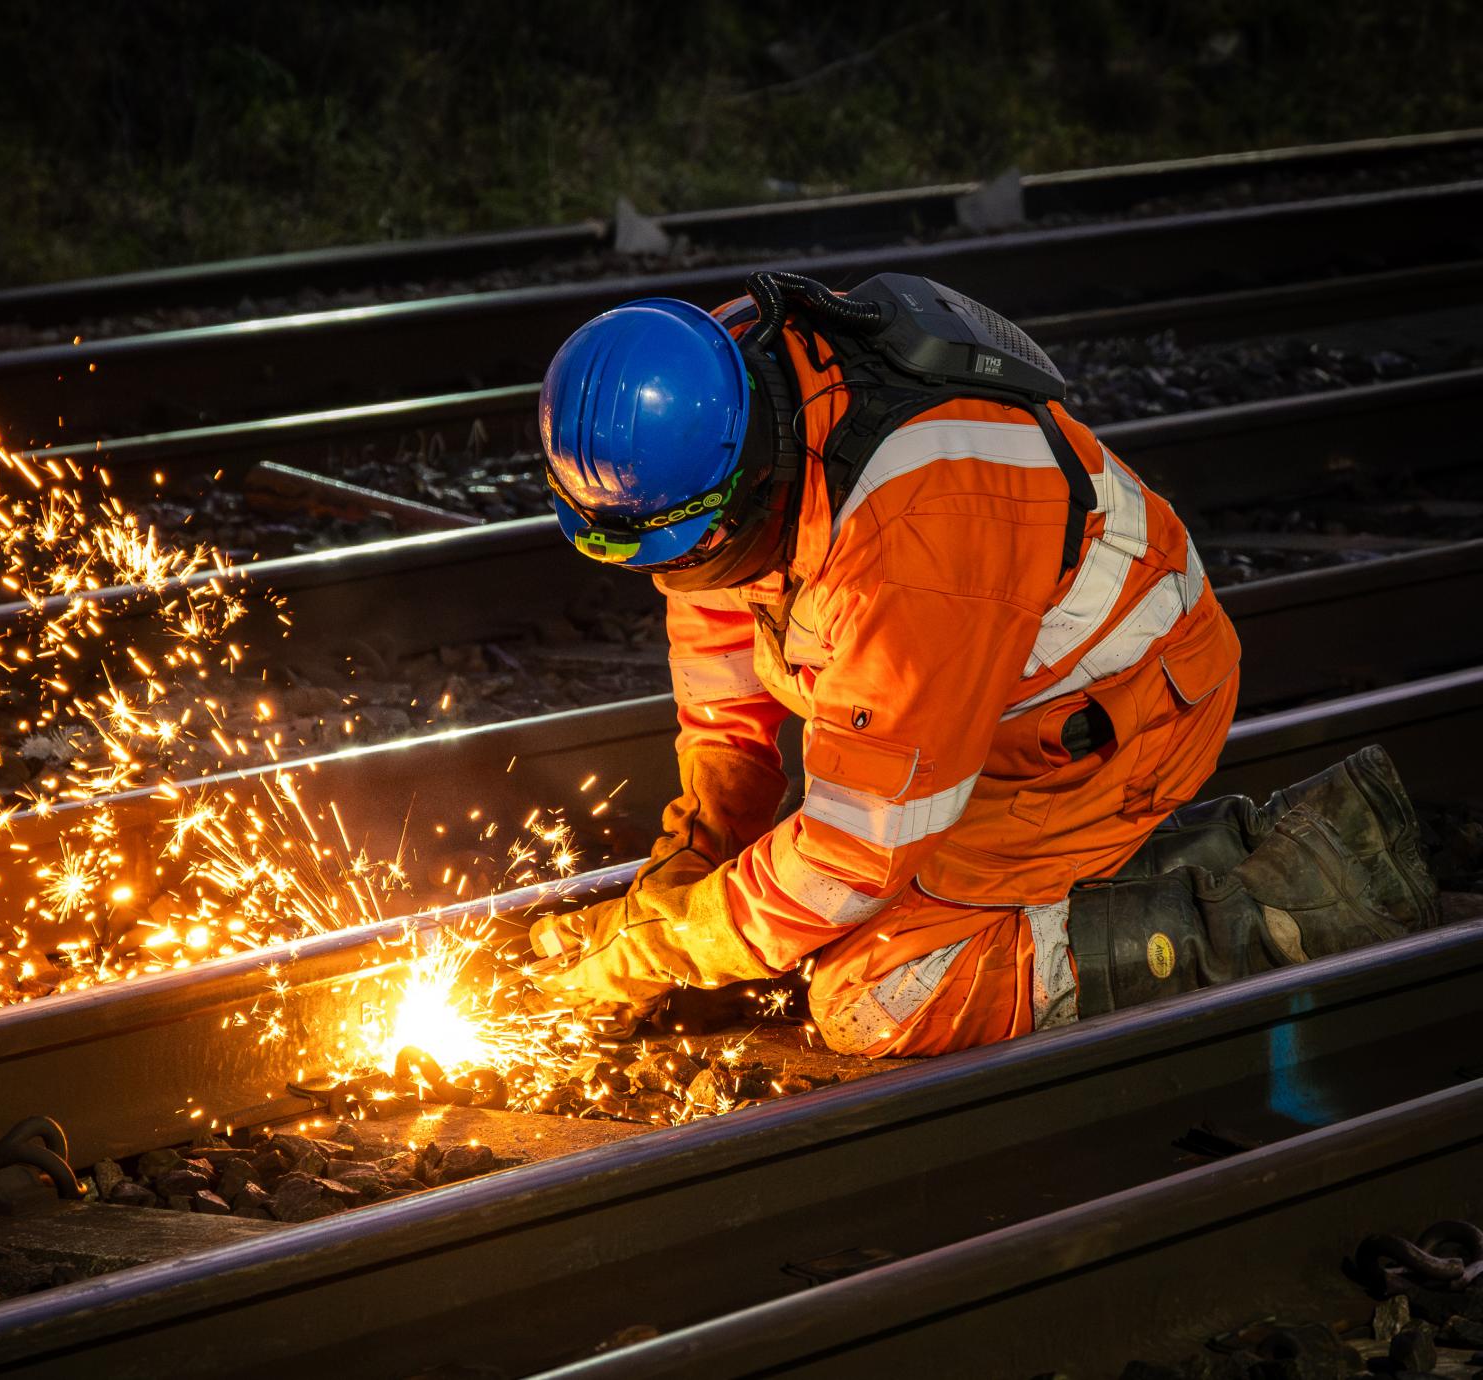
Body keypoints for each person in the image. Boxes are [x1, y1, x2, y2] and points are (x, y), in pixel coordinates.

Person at [526, 272, 1438, 1055]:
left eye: (691, 554)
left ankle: (1284, 900)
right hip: (979, 707)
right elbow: (723, 652)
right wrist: (693, 866)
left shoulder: (912, 535)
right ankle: (1164, 870)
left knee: (874, 995)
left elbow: (850, 857)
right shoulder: (717, 393)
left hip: (1110, 724)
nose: (678, 583)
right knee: (779, 912)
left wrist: (660, 948)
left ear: (744, 485)